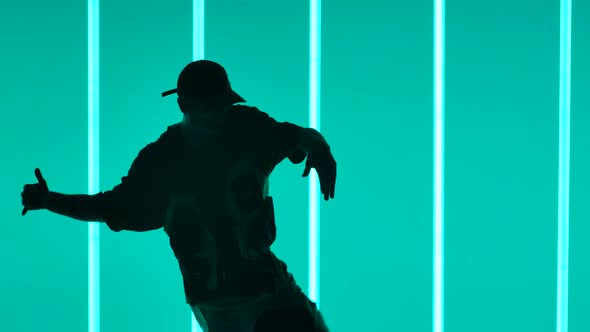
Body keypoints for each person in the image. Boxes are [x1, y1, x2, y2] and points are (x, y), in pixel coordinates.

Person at [20, 60, 335, 332]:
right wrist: (50, 201)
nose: (217, 115)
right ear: (184, 106)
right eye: (208, 107)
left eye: (221, 105)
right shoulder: (161, 164)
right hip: (218, 304)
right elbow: (107, 207)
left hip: (269, 286)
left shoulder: (247, 129)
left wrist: (319, 148)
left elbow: (297, 136)